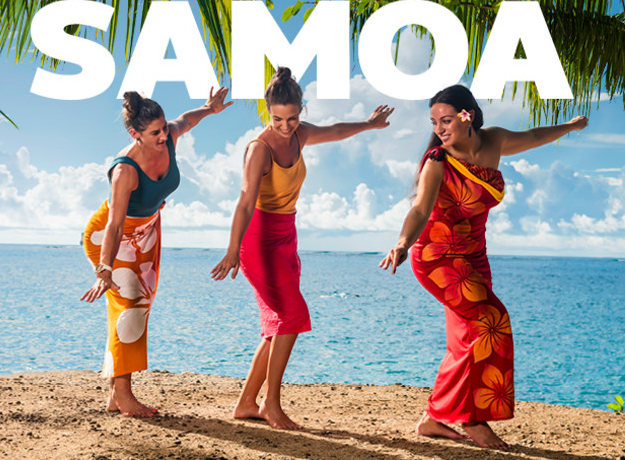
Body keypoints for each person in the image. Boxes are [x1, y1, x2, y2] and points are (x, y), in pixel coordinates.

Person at [379, 84, 587, 449]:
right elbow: (420, 208)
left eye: (446, 120)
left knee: (465, 340)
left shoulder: (494, 141)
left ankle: (433, 418)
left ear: (467, 115)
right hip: (438, 257)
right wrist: (401, 243)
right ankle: (472, 418)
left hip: (475, 256)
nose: (439, 128)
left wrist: (568, 126)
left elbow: (533, 136)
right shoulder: (437, 161)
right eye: (434, 122)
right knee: (493, 321)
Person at [211, 67, 394, 430]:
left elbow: (336, 130)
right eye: (278, 119)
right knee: (291, 316)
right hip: (258, 240)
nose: (285, 126)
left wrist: (370, 125)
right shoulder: (258, 149)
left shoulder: (301, 134)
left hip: (286, 237)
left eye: (292, 118)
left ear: (301, 111)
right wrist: (232, 250)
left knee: (278, 326)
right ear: (268, 113)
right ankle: (271, 404)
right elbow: (245, 201)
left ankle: (246, 403)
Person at [81, 87, 232, 417]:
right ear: (135, 134)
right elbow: (114, 225)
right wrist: (104, 269)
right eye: (155, 133)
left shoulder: (170, 136)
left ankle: (115, 394)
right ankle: (123, 395)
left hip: (146, 231)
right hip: (112, 237)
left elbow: (185, 120)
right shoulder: (125, 170)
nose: (164, 135)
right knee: (130, 308)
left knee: (140, 306)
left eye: (164, 127)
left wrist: (209, 108)